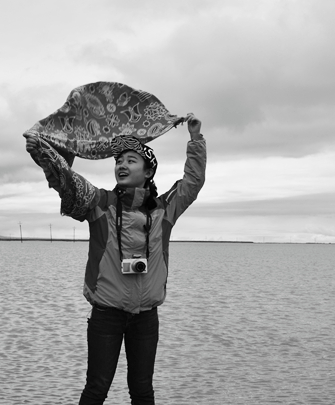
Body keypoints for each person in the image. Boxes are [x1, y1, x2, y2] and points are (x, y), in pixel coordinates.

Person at [24, 114, 206, 405]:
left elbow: (193, 182)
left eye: (131, 160)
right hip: (106, 315)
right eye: (119, 161)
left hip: (146, 317)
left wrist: (195, 139)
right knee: (96, 389)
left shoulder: (164, 210)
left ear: (148, 172)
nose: (122, 165)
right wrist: (45, 152)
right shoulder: (99, 203)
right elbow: (66, 181)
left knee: (143, 391)